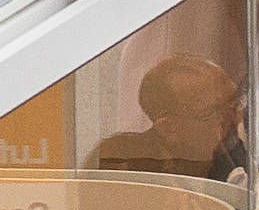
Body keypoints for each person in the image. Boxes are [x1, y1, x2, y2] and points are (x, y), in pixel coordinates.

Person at [86, 54, 247, 180]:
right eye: (214, 112)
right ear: (169, 128)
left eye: (234, 104)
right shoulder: (124, 164)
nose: (236, 118)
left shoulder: (228, 150)